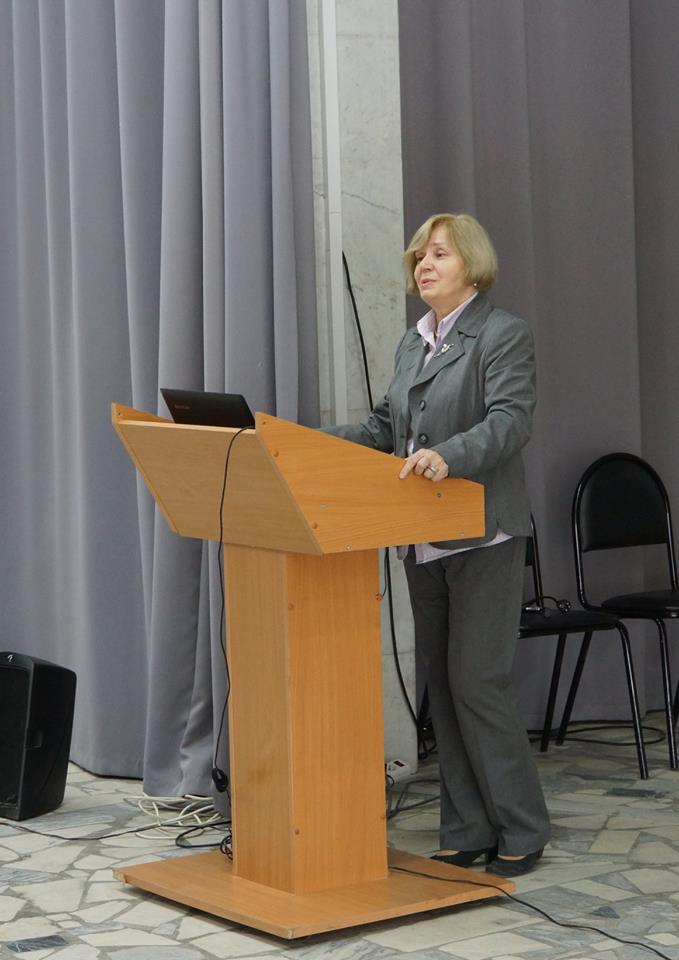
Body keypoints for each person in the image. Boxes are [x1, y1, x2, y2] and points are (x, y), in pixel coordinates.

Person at [324, 213, 550, 877]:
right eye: (419, 256)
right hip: (421, 539)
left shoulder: (501, 333)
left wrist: (449, 455)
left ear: (471, 264)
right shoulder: (412, 342)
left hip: (481, 532)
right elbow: (384, 429)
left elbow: (509, 421)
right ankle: (467, 828)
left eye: (439, 254)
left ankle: (521, 826)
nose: (424, 264)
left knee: (478, 683)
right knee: (444, 692)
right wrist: (304, 440)